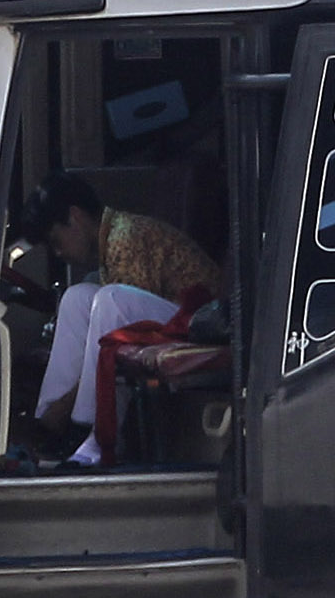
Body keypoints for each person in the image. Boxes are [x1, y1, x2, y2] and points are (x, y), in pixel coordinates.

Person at [18, 173, 219, 468]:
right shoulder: (111, 238)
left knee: (110, 300)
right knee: (77, 297)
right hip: (173, 318)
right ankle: (47, 426)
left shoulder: (125, 237)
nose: (59, 253)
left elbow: (118, 337)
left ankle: (86, 431)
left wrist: (67, 406)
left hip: (203, 321)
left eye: (56, 241)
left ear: (75, 217)